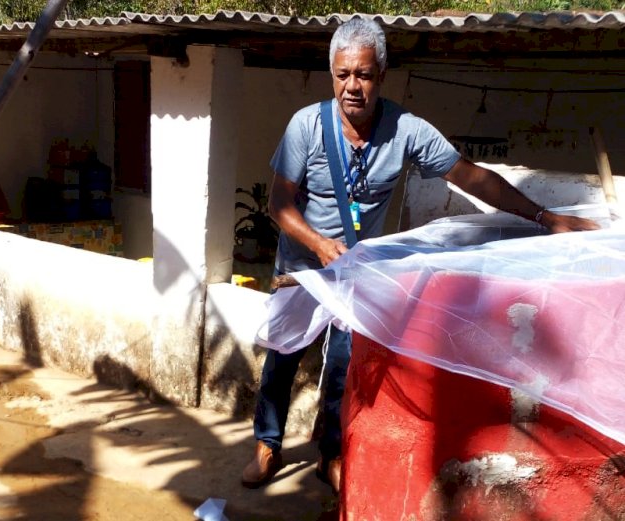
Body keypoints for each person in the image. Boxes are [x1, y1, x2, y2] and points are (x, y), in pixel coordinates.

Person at [240, 17, 600, 494]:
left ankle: (330, 452)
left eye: (364, 74)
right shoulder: (306, 126)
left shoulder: (405, 129)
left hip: (358, 275)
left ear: (381, 75)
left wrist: (544, 217)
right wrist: (321, 246)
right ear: (332, 75)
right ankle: (267, 444)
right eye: (343, 74)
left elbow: (471, 177)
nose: (353, 86)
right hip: (302, 269)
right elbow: (278, 205)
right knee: (282, 360)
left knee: (345, 369)